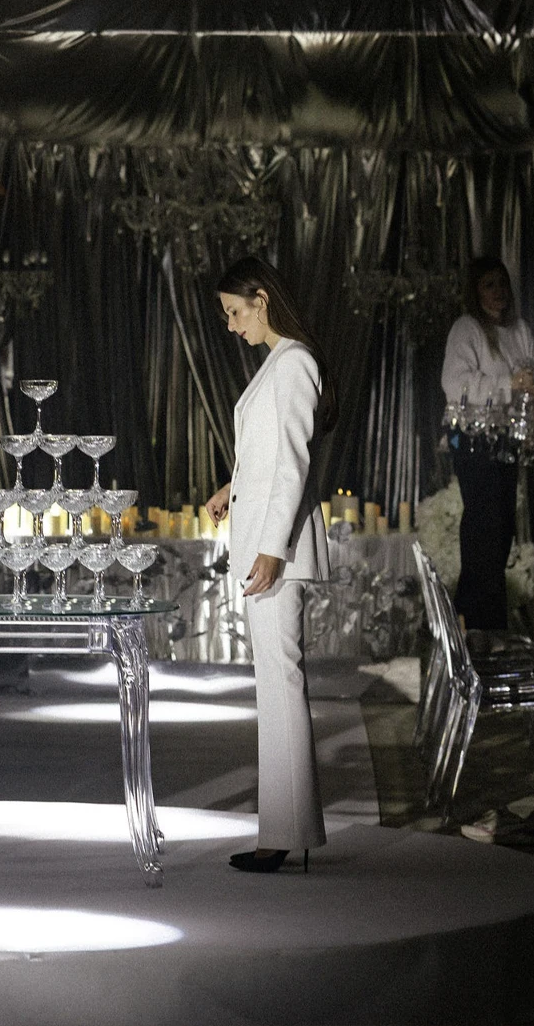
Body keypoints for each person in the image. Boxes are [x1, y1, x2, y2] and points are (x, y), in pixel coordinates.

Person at [206, 256, 336, 875]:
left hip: (273, 547)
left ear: (261, 300)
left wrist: (272, 547)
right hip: (265, 536)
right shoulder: (279, 364)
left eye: (235, 312)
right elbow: (266, 457)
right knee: (276, 683)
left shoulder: (294, 362)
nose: (232, 326)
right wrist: (231, 489)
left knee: (280, 684)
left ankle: (282, 833)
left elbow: (291, 465)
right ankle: (285, 828)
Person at [441, 256, 534, 631]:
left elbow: (532, 375)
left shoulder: (519, 330)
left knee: (501, 533)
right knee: (483, 527)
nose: (498, 291)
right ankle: (477, 626)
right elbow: (454, 384)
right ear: (476, 292)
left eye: (502, 283)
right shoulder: (467, 329)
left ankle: (488, 626)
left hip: (508, 440)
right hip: (474, 441)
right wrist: (507, 386)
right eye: (489, 285)